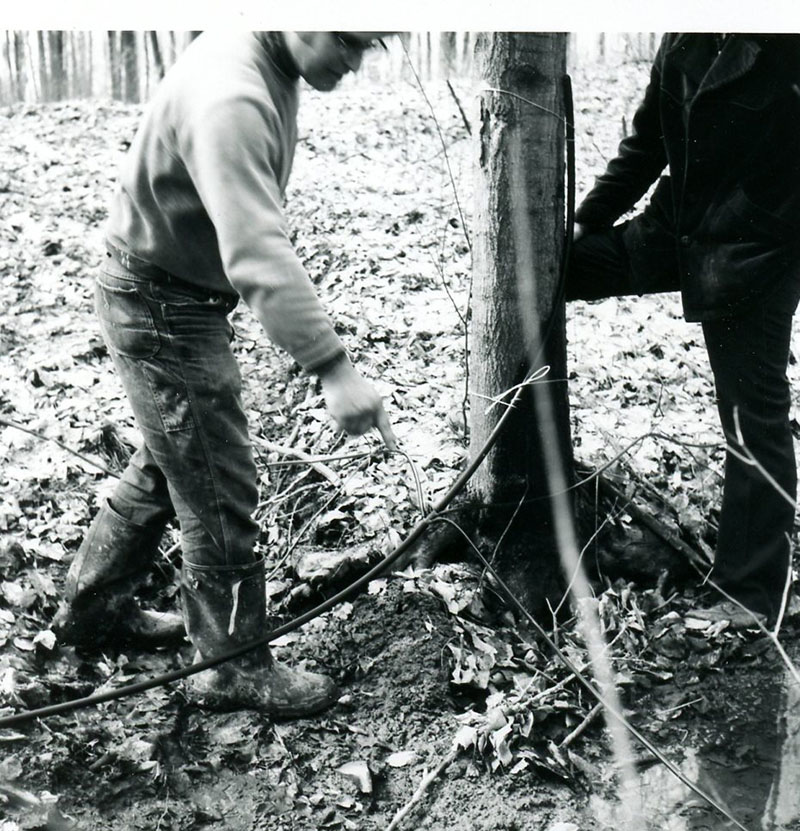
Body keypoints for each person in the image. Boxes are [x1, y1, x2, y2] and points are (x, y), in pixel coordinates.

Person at [52, 31, 397, 716]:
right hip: (160, 300)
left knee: (173, 459)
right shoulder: (233, 95)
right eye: (347, 39)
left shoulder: (263, 58)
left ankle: (90, 614)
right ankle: (231, 665)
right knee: (216, 476)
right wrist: (333, 367)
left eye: (370, 45)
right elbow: (257, 248)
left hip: (166, 288)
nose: (354, 61)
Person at [568, 34, 800, 629]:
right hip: (676, 228)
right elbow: (647, 142)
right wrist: (587, 219)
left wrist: (770, 222)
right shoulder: (685, 36)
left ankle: (752, 594)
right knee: (555, 271)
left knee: (752, 413)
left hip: (758, 250)